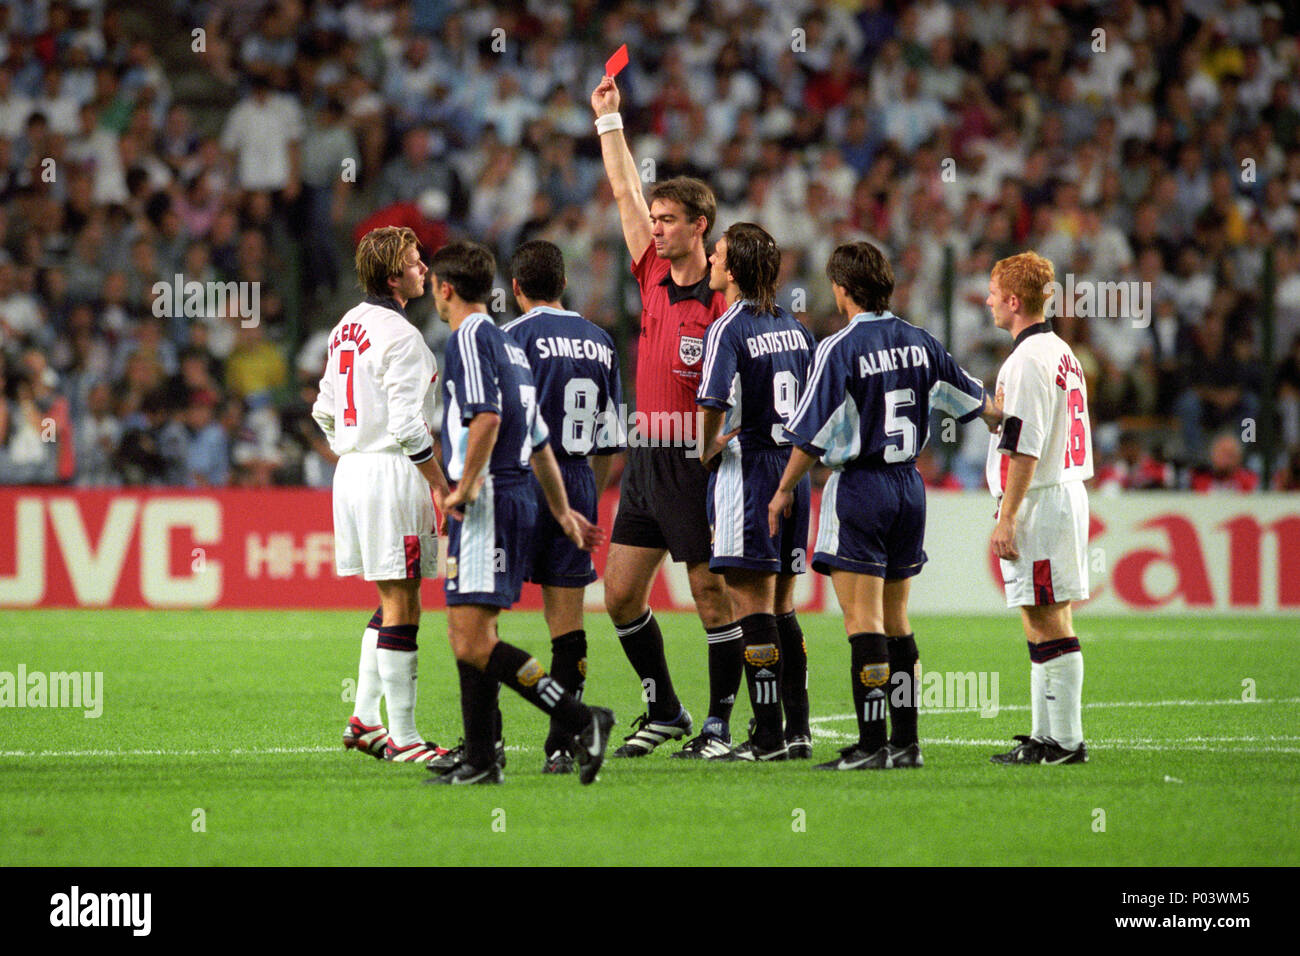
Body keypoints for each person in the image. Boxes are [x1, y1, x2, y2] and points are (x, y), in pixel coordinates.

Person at [770, 241, 1001, 770]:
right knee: (898, 619)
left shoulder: (839, 348)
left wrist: (784, 489)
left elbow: (809, 435)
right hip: (909, 487)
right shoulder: (921, 341)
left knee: (863, 620)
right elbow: (977, 404)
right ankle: (906, 742)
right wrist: (1012, 423)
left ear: (843, 289)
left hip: (861, 487)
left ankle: (872, 745)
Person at [421, 240, 615, 786]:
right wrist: (563, 509)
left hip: (490, 499)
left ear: (445, 289)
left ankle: (581, 719)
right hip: (522, 492)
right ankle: (481, 757)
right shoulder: (508, 349)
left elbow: (484, 419)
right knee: (470, 633)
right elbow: (539, 440)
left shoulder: (471, 338)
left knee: (475, 639)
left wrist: (465, 484)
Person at [591, 73, 736, 756]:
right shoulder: (650, 271)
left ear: (699, 227)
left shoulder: (723, 302)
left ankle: (719, 725)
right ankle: (668, 709)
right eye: (655, 219)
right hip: (648, 454)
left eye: (668, 219)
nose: (656, 226)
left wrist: (724, 445)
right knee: (620, 593)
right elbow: (622, 190)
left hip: (695, 458)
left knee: (709, 594)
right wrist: (610, 124)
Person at [312, 225, 452, 764]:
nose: (425, 270)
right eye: (417, 262)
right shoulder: (401, 335)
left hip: (351, 471)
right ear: (394, 275)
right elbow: (410, 427)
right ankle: (406, 737)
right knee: (403, 601)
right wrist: (439, 485)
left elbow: (324, 410)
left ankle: (365, 721)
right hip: (393, 473)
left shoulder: (346, 326)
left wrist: (353, 444)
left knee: (389, 597)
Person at [501, 239, 626, 774]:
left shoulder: (509, 338)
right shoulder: (600, 340)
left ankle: (486, 742)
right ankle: (561, 745)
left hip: (520, 479)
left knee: (479, 620)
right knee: (567, 623)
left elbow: (496, 422)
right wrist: (585, 499)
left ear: (515, 288)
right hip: (576, 481)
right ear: (564, 284)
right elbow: (609, 440)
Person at [693, 222, 816, 761]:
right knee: (784, 602)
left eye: (717, 255)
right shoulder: (794, 327)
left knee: (751, 603)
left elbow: (713, 401)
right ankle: (798, 730)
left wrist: (706, 449)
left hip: (751, 470)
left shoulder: (729, 327)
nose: (711, 262)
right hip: (795, 470)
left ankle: (765, 735)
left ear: (734, 271)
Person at [985, 251, 1093, 765]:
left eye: (992, 292)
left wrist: (1008, 515)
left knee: (1048, 618)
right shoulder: (1060, 351)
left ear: (1012, 300)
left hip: (1041, 500)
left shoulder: (1026, 360)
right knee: (1041, 615)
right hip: (1056, 493)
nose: (987, 301)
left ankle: (1066, 742)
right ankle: (1044, 735)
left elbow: (1026, 447)